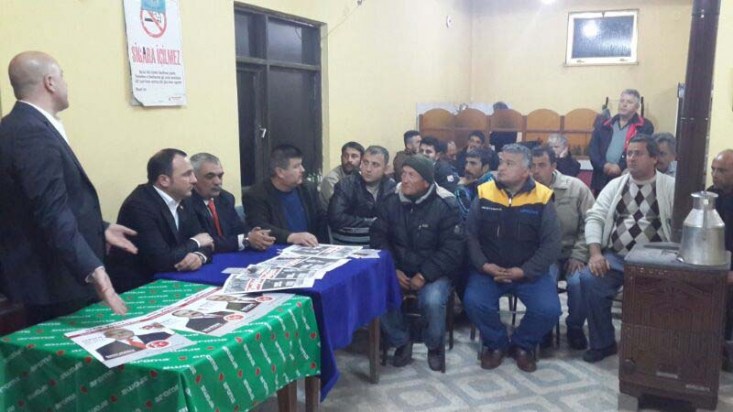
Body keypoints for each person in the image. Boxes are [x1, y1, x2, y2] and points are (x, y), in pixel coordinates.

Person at [0, 51, 134, 326]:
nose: (66, 83)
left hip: (56, 273)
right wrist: (91, 267)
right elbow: (50, 210)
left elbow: (46, 199)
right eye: (62, 76)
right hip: (51, 280)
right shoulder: (30, 132)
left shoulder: (23, 125)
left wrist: (99, 228)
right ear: (50, 82)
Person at [463, 144, 562, 373]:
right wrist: (484, 265)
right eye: (501, 162)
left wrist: (524, 271)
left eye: (510, 164)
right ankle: (496, 343)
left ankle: (522, 345)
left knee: (549, 310)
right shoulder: (484, 192)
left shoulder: (542, 196)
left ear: (526, 171)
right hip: (489, 271)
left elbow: (551, 244)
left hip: (528, 273)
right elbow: (471, 236)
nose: (501, 168)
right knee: (474, 302)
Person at [580, 134, 674, 363]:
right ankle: (603, 343)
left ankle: (647, 346)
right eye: (629, 153)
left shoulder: (669, 187)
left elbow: (680, 226)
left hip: (654, 261)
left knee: (659, 295)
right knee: (590, 280)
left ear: (654, 158)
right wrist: (595, 254)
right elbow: (595, 217)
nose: (631, 158)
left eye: (638, 153)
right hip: (616, 257)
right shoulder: (615, 185)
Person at [370, 155, 464, 372]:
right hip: (398, 268)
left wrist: (424, 275)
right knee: (378, 293)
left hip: (435, 271)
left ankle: (434, 346)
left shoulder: (446, 204)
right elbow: (378, 238)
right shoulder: (390, 200)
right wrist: (393, 269)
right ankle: (401, 340)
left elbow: (453, 250)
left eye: (411, 175)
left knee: (432, 300)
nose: (404, 179)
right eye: (403, 174)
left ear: (426, 182)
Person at [108, 149, 214, 293]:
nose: (194, 180)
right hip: (139, 287)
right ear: (164, 180)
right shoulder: (139, 206)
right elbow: (161, 260)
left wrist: (199, 256)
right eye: (187, 174)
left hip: (175, 278)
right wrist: (195, 243)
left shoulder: (185, 198)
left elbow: (207, 240)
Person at [531, 146, 595, 350]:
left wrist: (579, 255)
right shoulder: (525, 190)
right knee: (545, 281)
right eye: (532, 166)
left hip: (573, 251)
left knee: (578, 283)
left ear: (554, 166)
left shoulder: (575, 188)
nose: (536, 171)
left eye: (541, 165)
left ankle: (575, 327)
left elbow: (591, 223)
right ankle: (545, 327)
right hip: (544, 255)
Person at [243, 144, 328, 246]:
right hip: (277, 249)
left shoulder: (308, 189)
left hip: (310, 248)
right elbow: (261, 228)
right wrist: (291, 237)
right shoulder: (256, 195)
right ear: (280, 172)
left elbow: (321, 220)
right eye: (296, 166)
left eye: (301, 164)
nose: (302, 170)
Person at [190, 152, 275, 252]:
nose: (218, 182)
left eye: (220, 176)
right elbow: (206, 241)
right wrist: (245, 239)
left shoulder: (226, 198)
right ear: (193, 178)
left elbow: (238, 229)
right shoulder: (187, 203)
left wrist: (255, 235)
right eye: (210, 176)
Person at [588, 89, 654, 194]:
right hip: (601, 178)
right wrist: (604, 165)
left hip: (628, 178)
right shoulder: (604, 124)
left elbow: (640, 150)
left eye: (629, 102)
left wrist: (620, 166)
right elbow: (593, 149)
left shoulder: (644, 126)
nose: (624, 104)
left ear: (637, 107)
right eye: (622, 101)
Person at [328, 145, 396, 245]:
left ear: (385, 169)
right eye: (365, 162)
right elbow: (335, 217)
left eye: (375, 165)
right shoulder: (346, 184)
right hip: (349, 243)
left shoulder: (391, 186)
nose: (368, 169)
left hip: (382, 243)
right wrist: (369, 222)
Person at [319, 141, 364, 209]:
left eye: (354, 156)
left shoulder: (359, 175)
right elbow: (339, 207)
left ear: (361, 160)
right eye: (346, 156)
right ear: (341, 157)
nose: (349, 160)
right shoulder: (331, 179)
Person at [455, 149, 494, 219]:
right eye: (466, 163)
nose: (467, 168)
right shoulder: (471, 183)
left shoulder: (492, 186)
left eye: (473, 163)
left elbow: (469, 217)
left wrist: (459, 190)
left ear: (485, 168)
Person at [97, 327, 172, 360]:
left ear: (130, 331)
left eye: (122, 332)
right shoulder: (104, 350)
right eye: (112, 335)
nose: (119, 334)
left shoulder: (159, 334)